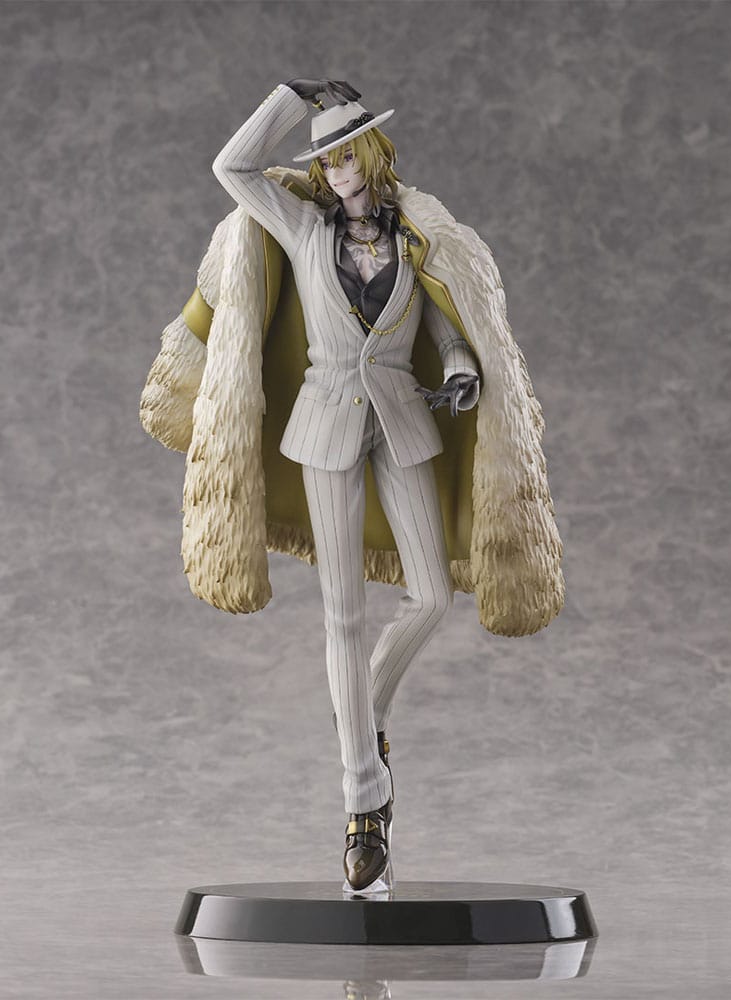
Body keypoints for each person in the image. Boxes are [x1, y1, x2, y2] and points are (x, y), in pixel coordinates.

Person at [140, 79, 565, 894]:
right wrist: (290, 99)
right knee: (341, 612)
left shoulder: (416, 239)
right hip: (326, 427)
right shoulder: (302, 228)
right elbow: (233, 168)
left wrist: (462, 367)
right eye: (325, 161)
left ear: (373, 155)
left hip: (403, 423)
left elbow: (442, 319)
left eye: (345, 157)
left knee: (432, 596)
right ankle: (363, 803)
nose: (336, 172)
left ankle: (362, 721)